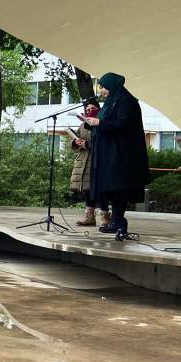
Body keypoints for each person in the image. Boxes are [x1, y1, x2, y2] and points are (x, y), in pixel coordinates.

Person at [79, 72, 149, 238]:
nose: (101, 90)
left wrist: (99, 122)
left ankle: (118, 222)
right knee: (112, 187)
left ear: (111, 85)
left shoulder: (126, 101)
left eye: (103, 87)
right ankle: (115, 221)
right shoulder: (112, 101)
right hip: (109, 153)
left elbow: (123, 124)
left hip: (121, 154)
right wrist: (91, 123)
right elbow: (105, 121)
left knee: (119, 187)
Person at [70, 98, 105, 226]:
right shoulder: (82, 125)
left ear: (99, 109)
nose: (90, 111)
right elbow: (76, 140)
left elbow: (103, 143)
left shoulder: (101, 123)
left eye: (92, 109)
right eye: (87, 109)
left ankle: (105, 216)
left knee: (100, 189)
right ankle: (89, 216)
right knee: (87, 189)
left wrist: (87, 144)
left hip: (97, 160)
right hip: (83, 160)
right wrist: (75, 142)